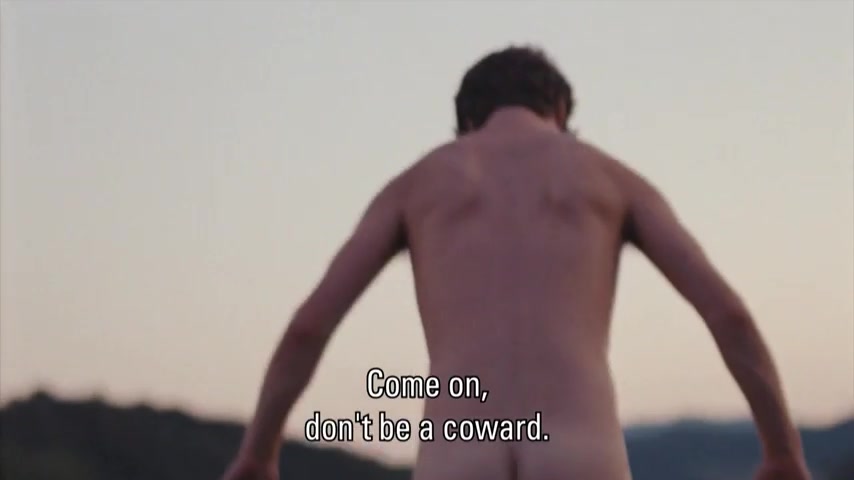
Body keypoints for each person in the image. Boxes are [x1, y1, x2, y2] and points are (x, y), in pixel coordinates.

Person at [222, 46, 812, 480]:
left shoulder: (416, 186)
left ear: (467, 120)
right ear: (559, 109)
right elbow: (728, 315)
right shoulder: (611, 180)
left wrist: (259, 454)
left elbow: (309, 328)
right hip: (582, 462)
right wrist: (782, 453)